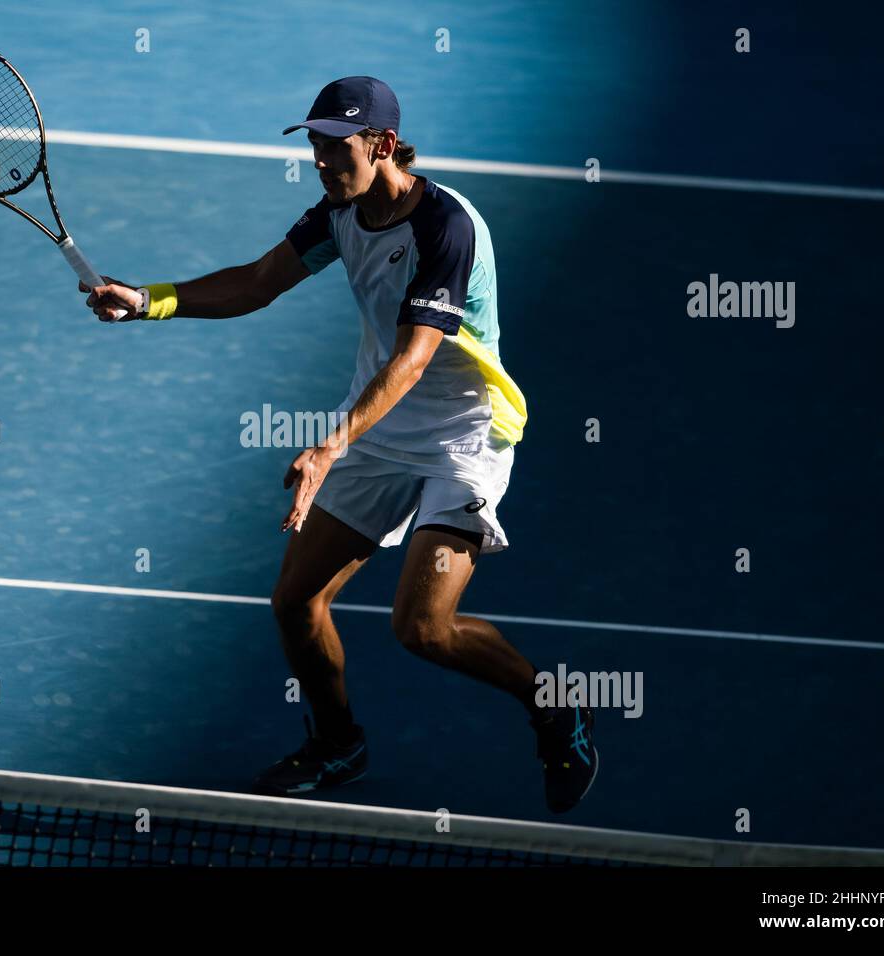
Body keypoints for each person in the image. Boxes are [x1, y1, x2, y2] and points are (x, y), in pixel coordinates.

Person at [81, 77, 597, 813]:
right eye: (316, 146)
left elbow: (415, 357)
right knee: (296, 600)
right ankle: (337, 743)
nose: (322, 161)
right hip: (381, 433)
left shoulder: (446, 228)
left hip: (462, 438)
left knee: (424, 629)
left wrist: (328, 447)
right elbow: (258, 283)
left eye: (337, 147)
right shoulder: (339, 214)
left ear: (383, 145)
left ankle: (554, 706)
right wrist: (149, 300)